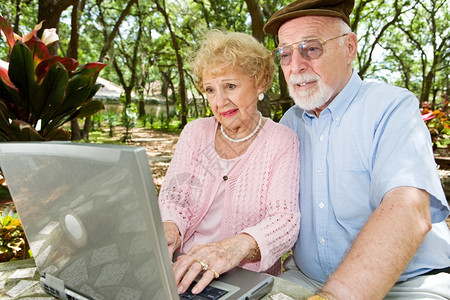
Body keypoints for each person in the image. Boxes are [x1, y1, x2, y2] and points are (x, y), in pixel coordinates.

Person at [263, 0, 450, 299]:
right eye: (285, 54)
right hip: (306, 280)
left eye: (311, 48)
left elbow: (407, 208)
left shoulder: (391, 107)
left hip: (407, 286)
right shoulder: (289, 124)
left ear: (350, 47)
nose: (296, 65)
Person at [158, 29, 300, 295]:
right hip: (183, 266)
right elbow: (174, 199)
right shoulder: (195, 133)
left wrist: (235, 248)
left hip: (241, 278)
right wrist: (170, 227)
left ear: (260, 83)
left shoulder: (282, 140)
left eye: (230, 86)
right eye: (210, 90)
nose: (219, 101)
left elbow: (285, 219)